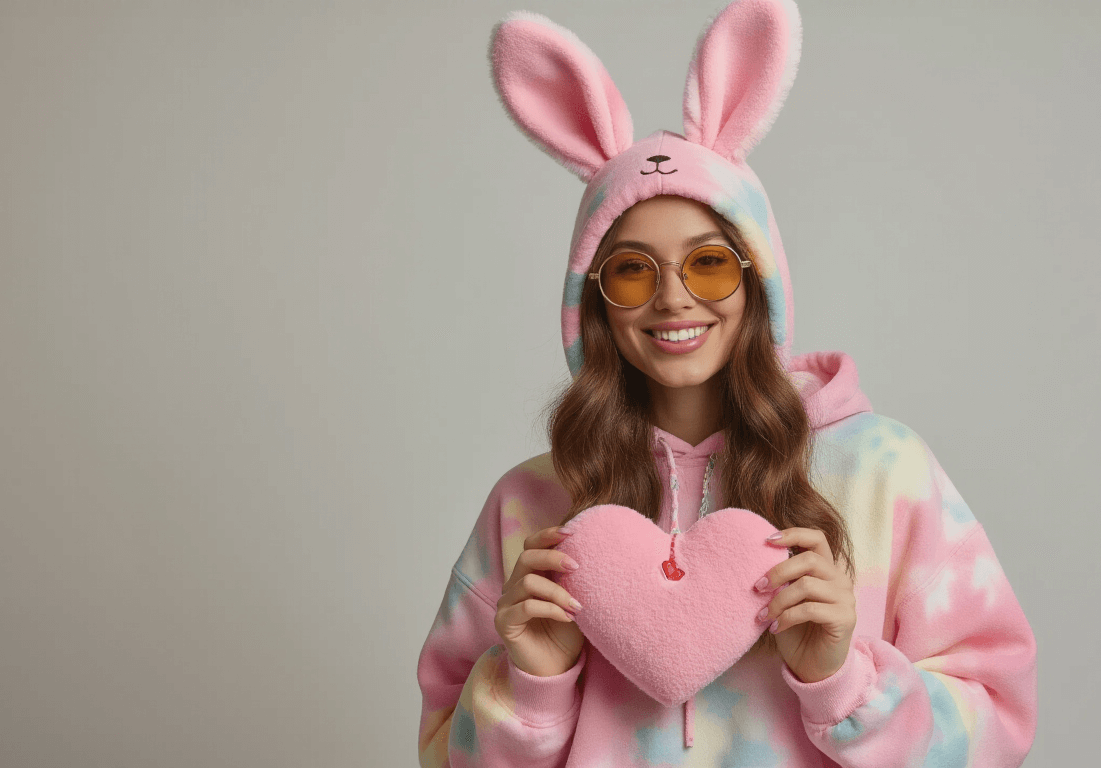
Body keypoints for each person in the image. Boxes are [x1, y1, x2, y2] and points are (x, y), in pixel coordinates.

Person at [416, 1, 1038, 766]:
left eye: (708, 262)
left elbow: (998, 727)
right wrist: (533, 686)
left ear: (759, 281)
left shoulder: (883, 472)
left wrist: (843, 683)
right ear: (593, 302)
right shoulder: (530, 506)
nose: (673, 298)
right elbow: (442, 754)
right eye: (632, 271)